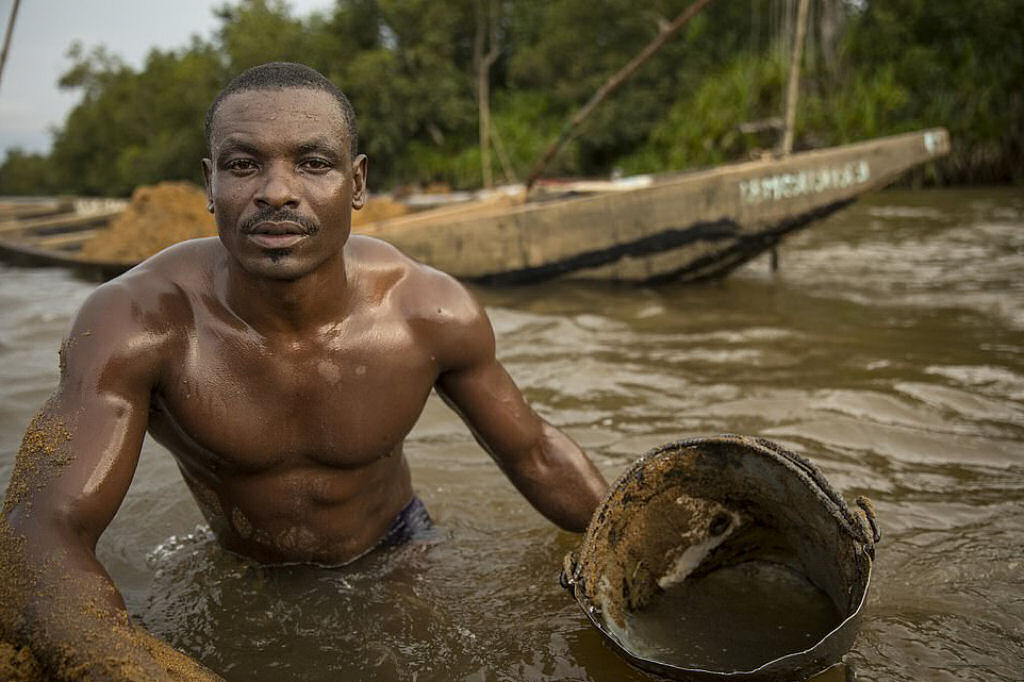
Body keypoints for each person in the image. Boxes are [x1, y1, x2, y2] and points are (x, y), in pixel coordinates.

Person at [0, 62, 609, 681]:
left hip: (399, 546)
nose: (276, 192)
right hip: (243, 564)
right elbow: (42, 528)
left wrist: (638, 539)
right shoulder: (136, 321)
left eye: (313, 163)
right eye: (243, 165)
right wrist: (121, 663)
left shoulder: (427, 311)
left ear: (357, 182)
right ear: (209, 185)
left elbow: (533, 453)